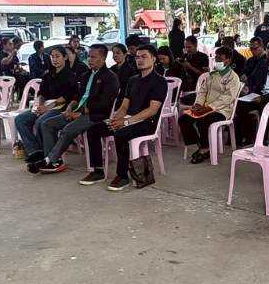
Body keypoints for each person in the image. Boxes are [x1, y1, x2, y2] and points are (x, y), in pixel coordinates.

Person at [88, 42, 168, 191]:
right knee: (94, 129)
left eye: (144, 56)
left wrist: (126, 122)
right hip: (128, 119)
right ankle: (98, 170)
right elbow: (124, 106)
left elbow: (152, 110)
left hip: (146, 122)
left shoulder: (159, 82)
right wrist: (116, 118)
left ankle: (122, 176)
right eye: (137, 57)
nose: (140, 60)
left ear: (153, 59)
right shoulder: (132, 80)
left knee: (121, 133)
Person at [35, 43, 119, 176]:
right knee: (47, 124)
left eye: (93, 57)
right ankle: (53, 161)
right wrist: (70, 107)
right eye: (89, 56)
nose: (89, 59)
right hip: (78, 111)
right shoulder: (86, 75)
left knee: (68, 130)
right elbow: (78, 96)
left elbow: (104, 104)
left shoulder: (110, 77)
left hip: (96, 115)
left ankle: (49, 160)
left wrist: (80, 113)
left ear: (103, 58)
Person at [14, 45, 80, 171]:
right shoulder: (48, 74)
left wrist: (48, 108)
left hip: (60, 107)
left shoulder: (70, 75)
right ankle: (35, 151)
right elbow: (42, 93)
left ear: (65, 57)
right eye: (52, 57)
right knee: (20, 119)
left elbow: (68, 96)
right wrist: (41, 105)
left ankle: (49, 156)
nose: (55, 59)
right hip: (46, 106)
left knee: (41, 121)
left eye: (57, 56)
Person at [178, 45, 242, 163]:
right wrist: (198, 104)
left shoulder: (233, 77)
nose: (217, 61)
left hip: (222, 110)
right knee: (183, 118)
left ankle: (205, 149)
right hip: (205, 107)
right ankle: (199, 145)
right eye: (216, 58)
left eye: (220, 59)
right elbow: (202, 91)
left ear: (228, 60)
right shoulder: (212, 74)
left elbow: (227, 98)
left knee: (203, 120)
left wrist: (209, 108)